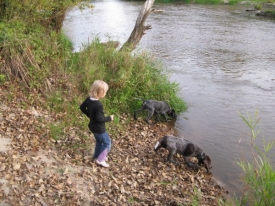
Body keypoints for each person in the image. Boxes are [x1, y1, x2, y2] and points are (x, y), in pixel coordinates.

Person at [80, 80, 114, 168]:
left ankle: (96, 156)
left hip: (92, 127)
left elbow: (82, 107)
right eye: (105, 91)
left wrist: (89, 115)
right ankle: (100, 159)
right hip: (99, 129)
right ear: (99, 92)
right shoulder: (98, 105)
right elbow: (99, 119)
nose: (106, 93)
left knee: (99, 142)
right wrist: (109, 118)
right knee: (107, 143)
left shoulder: (89, 99)